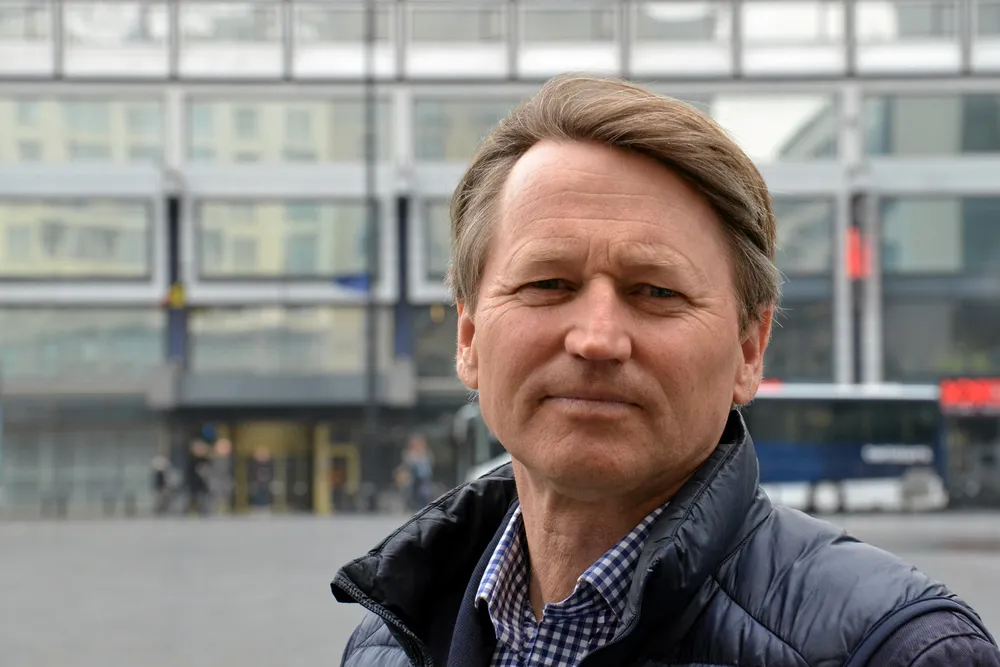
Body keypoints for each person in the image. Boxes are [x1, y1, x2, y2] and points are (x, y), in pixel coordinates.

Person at [332, 75, 998, 666]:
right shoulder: (384, 641)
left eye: (656, 291)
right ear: (470, 334)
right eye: (548, 283)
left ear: (749, 349)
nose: (597, 339)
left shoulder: (896, 650)